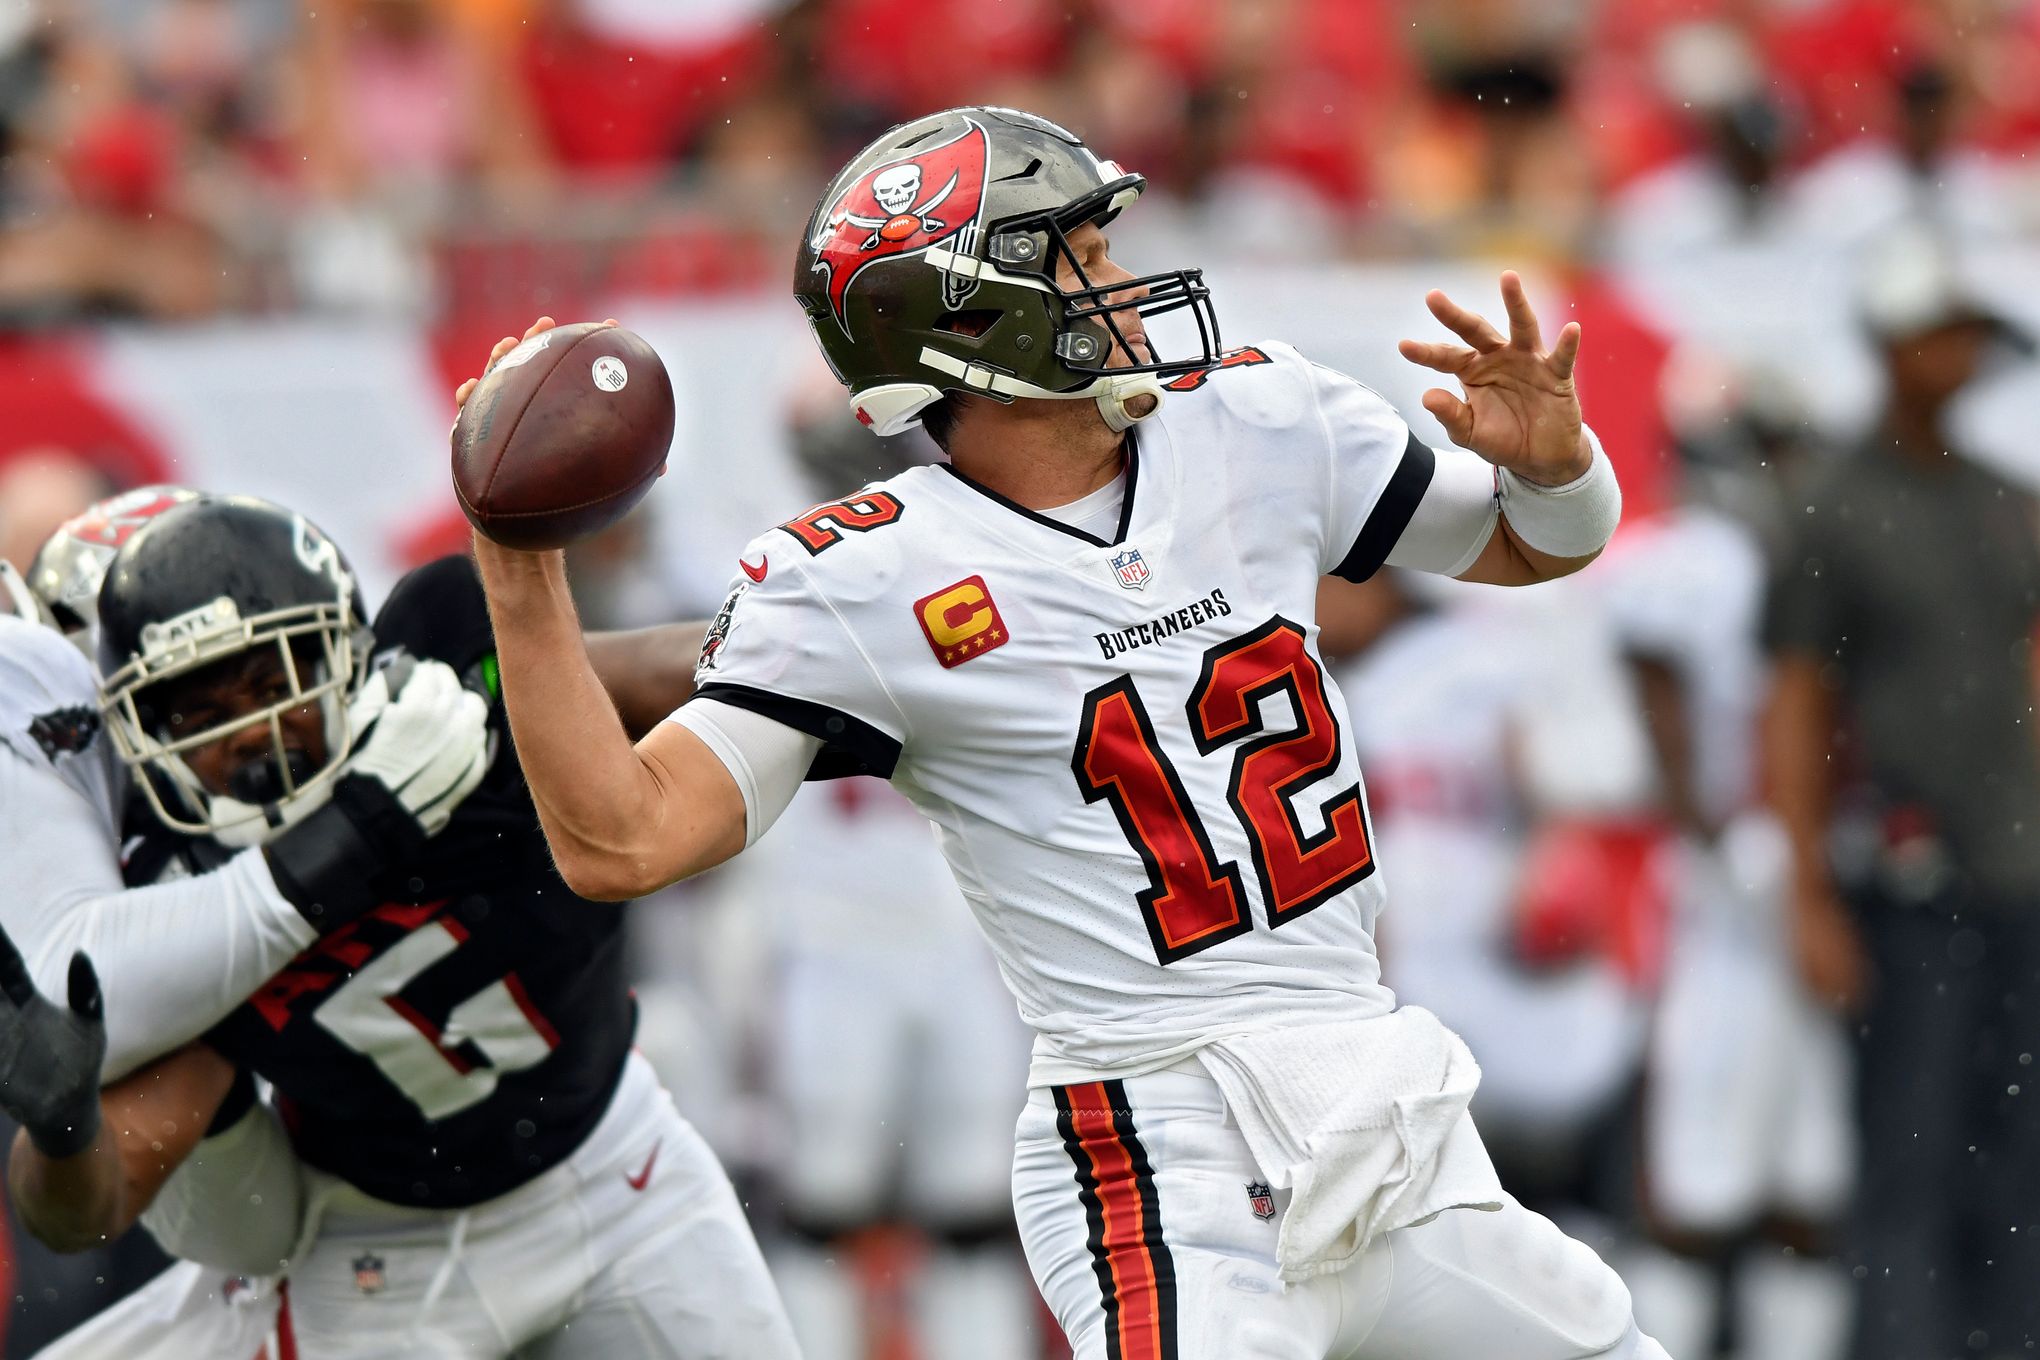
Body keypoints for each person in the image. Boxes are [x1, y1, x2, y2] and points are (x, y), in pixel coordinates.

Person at [464, 106, 1665, 1358]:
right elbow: (624, 840)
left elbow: (1537, 543)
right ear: (973, 320)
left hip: (1383, 1102)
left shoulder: (1259, 420)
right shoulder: (865, 578)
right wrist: (518, 570)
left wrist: (1556, 465)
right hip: (1164, 1146)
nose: (1121, 276)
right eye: (1077, 252)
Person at [5, 495, 797, 1358]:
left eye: (275, 683)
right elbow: (91, 1205)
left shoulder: (452, 701)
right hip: (380, 1254)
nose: (254, 733)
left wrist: (836, 678)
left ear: (343, 652)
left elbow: (671, 675)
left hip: (619, 1169)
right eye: (197, 713)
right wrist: (60, 1125)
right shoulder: (175, 895)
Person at [1764, 230, 2040, 1360]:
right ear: (1893, 342)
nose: (1963, 351)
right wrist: (1809, 895)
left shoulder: (2007, 501)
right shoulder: (1831, 503)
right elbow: (1795, 708)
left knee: (2019, 1154)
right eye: (1944, 329)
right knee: (1911, 1152)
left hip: (2021, 872)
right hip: (1908, 877)